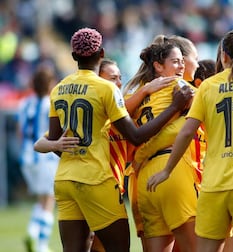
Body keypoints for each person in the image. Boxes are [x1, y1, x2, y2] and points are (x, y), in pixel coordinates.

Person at [47, 27, 192, 252]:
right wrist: (174, 106)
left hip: (65, 179)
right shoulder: (106, 89)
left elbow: (55, 140)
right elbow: (134, 136)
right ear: (102, 53)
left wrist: (77, 153)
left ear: (74, 56)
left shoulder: (58, 89)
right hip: (97, 179)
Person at [147, 29, 233, 252]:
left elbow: (185, 132)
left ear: (224, 57)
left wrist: (167, 170)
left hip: (214, 184)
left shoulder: (208, 86)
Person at [123, 37, 198, 252]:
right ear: (158, 66)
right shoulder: (180, 85)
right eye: (176, 62)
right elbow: (209, 110)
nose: (181, 65)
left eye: (182, 61)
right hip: (171, 170)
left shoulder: (139, 94)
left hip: (144, 180)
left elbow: (117, 115)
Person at [17, 64, 59, 252]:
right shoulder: (51, 103)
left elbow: (20, 131)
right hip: (45, 157)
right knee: (49, 201)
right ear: (49, 84)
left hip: (26, 158)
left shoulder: (25, 103)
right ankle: (39, 242)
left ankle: (33, 233)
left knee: (41, 201)